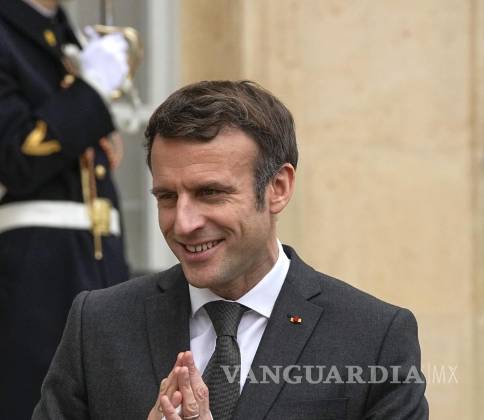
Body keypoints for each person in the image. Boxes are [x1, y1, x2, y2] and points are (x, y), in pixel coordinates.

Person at [32, 80, 428, 419]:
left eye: (210, 193)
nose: (183, 223)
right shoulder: (99, 324)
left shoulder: (373, 337)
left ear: (278, 189)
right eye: (167, 197)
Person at [0, 0, 130, 418]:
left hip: (98, 268)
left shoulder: (59, 35)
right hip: (32, 276)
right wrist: (90, 92)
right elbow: (15, 158)